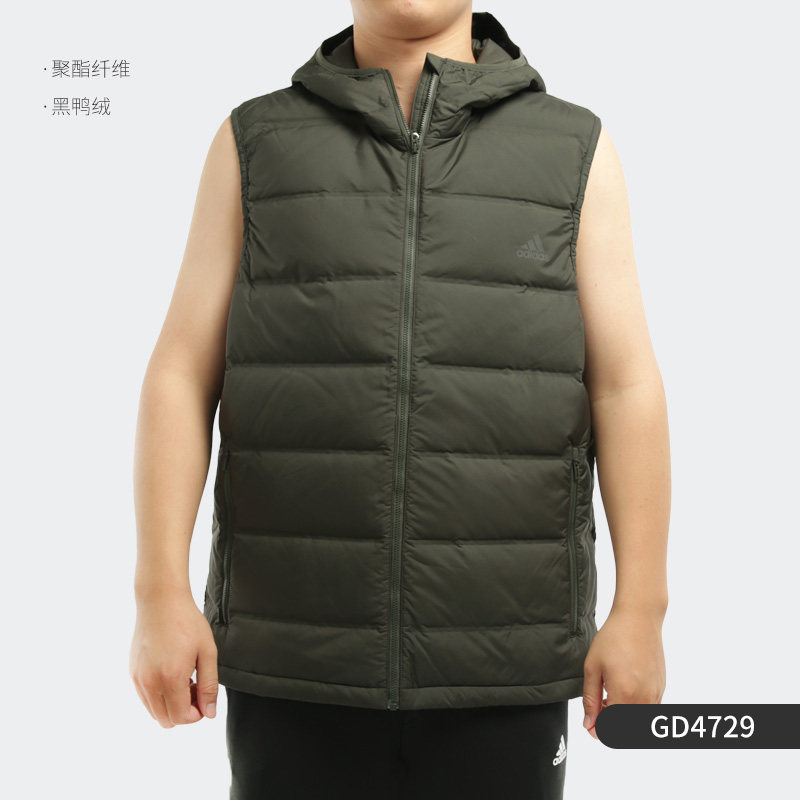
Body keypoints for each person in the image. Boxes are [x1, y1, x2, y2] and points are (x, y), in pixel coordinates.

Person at [130, 2, 670, 798]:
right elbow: (181, 372)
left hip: (503, 663)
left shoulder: (573, 148)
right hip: (295, 662)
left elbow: (625, 386)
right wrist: (160, 594)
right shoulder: (256, 142)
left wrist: (642, 610)